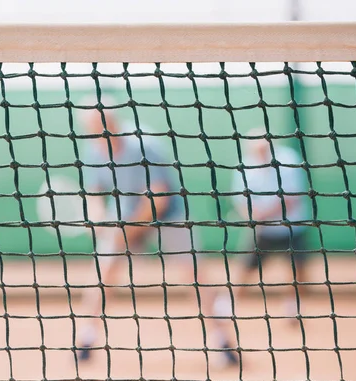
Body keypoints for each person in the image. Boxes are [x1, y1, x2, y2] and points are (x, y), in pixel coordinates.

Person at [76, 96, 236, 366]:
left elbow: (159, 198)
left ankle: (222, 341)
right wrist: (99, 217)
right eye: (92, 126)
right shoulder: (94, 152)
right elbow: (94, 192)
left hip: (168, 216)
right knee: (104, 275)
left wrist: (127, 230)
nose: (97, 131)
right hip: (125, 217)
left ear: (113, 122)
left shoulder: (144, 145)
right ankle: (86, 339)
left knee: (195, 275)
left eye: (102, 123)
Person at [216, 130, 309, 321]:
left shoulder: (288, 159)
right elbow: (241, 200)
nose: (260, 152)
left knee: (297, 271)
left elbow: (292, 199)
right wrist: (251, 216)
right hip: (262, 231)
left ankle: (294, 307)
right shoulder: (245, 166)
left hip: (292, 228)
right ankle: (227, 306)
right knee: (244, 269)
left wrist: (262, 216)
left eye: (264, 147)